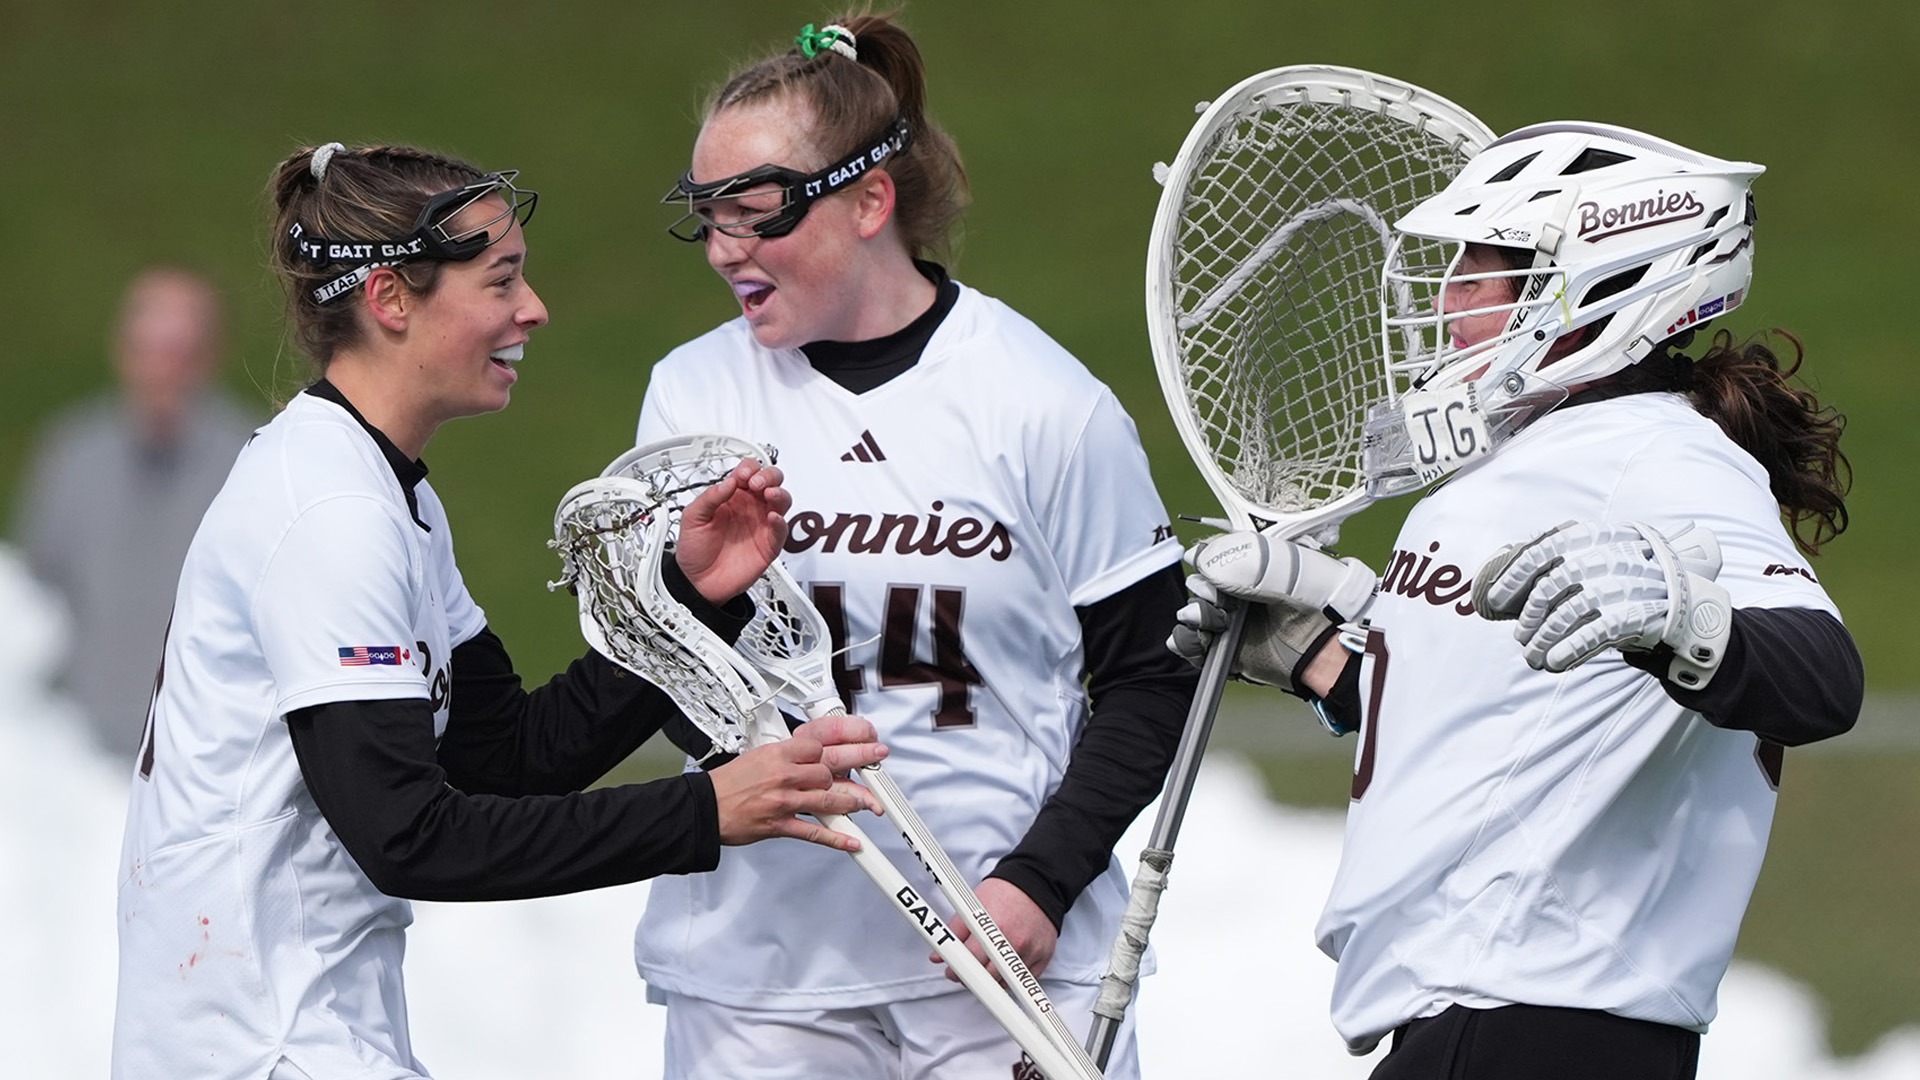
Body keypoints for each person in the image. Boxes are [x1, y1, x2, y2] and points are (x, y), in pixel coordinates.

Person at [110, 141, 889, 1080]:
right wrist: (702, 811)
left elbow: (505, 757)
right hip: (259, 1050)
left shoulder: (389, 495)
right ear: (391, 298)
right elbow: (409, 838)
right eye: (500, 280)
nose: (534, 309)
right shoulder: (329, 510)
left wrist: (689, 604)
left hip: (311, 1039)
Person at [1174, 121, 1862, 1079]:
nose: (1445, 298)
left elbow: (1824, 679)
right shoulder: (1524, 467)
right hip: (1480, 1023)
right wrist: (1318, 658)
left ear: (1602, 291)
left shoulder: (1658, 453)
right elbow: (1494, 740)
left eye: (1483, 270)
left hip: (1546, 1021)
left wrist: (1682, 620)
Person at [635, 15, 1197, 1078]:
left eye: (755, 214)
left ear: (869, 200)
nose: (724, 251)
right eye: (707, 217)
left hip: (1004, 958)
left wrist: (1040, 882)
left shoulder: (1043, 403)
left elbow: (1148, 678)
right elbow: (667, 679)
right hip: (762, 975)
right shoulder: (691, 395)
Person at [12, 266, 257, 759]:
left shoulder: (252, 463)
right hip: (76, 756)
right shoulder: (71, 456)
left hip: (204, 757)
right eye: (147, 350)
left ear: (210, 356)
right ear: (121, 350)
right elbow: (32, 607)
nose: (161, 371)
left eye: (179, 353)